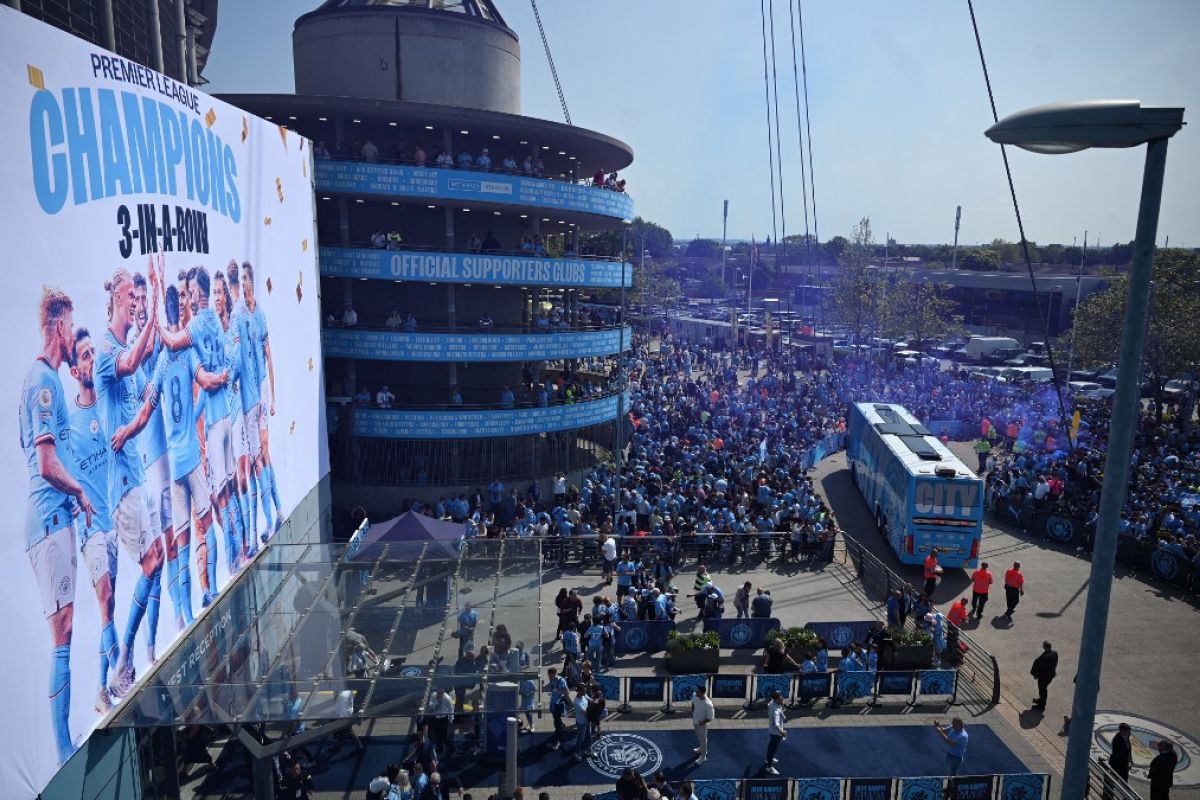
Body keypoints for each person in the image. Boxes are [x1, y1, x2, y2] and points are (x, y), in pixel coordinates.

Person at [1030, 641, 1058, 711]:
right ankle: (1041, 700)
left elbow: (1039, 668)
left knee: (1042, 690)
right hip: (1050, 675)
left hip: (1043, 677)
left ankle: (1041, 706)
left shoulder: (1043, 658)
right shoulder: (1055, 653)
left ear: (1044, 647)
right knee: (1043, 689)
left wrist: (1035, 675)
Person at [763, 690, 786, 774]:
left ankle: (768, 759)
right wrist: (782, 732)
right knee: (773, 748)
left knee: (770, 745)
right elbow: (776, 724)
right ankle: (769, 767)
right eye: (780, 697)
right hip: (776, 732)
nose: (782, 698)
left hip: (771, 729)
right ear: (776, 699)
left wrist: (781, 704)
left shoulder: (772, 703)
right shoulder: (776, 711)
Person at [691, 684, 714, 765]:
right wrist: (693, 712)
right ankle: (701, 749)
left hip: (702, 725)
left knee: (703, 739)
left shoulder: (708, 704)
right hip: (695, 722)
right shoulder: (695, 696)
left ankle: (703, 756)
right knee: (699, 737)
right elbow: (693, 703)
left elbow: (710, 717)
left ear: (702, 693)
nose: (695, 692)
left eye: (697, 691)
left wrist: (702, 722)